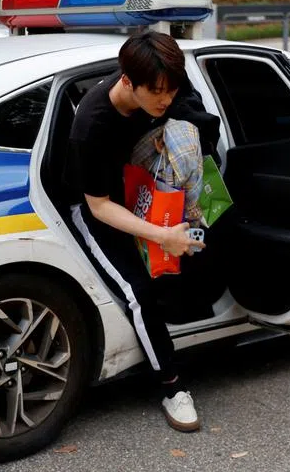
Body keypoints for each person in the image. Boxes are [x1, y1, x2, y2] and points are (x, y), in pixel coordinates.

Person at [64, 30, 220, 433]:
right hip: (101, 207)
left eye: (171, 90)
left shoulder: (166, 93)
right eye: (156, 92)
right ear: (127, 81)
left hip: (143, 189)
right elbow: (97, 206)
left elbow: (200, 129)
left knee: (208, 231)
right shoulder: (92, 124)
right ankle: (172, 388)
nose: (165, 100)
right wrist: (158, 234)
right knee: (139, 292)